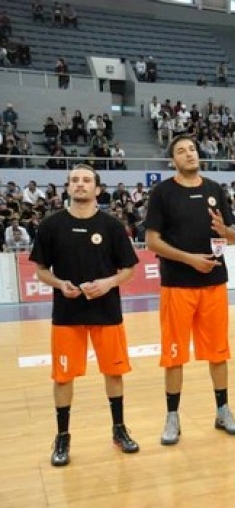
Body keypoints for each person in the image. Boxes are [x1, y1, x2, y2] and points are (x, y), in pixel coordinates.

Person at [30, 165, 140, 467]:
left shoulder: (112, 226)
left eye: (86, 180)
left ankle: (119, 430)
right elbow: (40, 270)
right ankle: (62, 436)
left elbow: (129, 269)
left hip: (107, 311)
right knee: (63, 377)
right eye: (75, 180)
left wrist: (107, 283)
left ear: (97, 189)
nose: (80, 185)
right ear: (67, 188)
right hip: (66, 314)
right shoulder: (51, 226)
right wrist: (59, 284)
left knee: (114, 372)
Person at [145, 135, 235, 445]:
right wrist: (189, 259)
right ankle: (172, 416)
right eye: (181, 151)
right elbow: (152, 241)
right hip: (177, 284)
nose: (189, 154)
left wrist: (223, 229)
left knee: (218, 352)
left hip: (213, 283)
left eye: (192, 149)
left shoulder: (215, 189)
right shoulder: (162, 193)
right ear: (172, 160)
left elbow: (232, 238)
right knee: (174, 355)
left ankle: (223, 409)